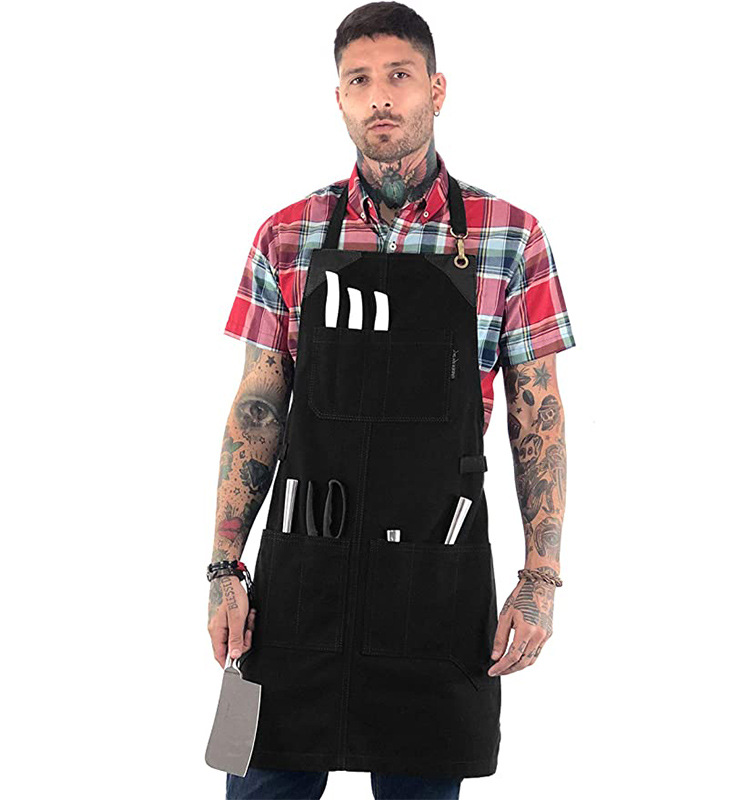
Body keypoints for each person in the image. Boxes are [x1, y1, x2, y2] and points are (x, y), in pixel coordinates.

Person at [207, 3, 576, 798]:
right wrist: (223, 566)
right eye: (359, 80)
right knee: (253, 780)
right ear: (338, 98)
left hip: (434, 586)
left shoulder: (511, 237)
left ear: (436, 90)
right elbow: (257, 410)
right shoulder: (286, 235)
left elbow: (536, 419)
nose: (379, 95)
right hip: (299, 585)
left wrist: (540, 577)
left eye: (399, 75)